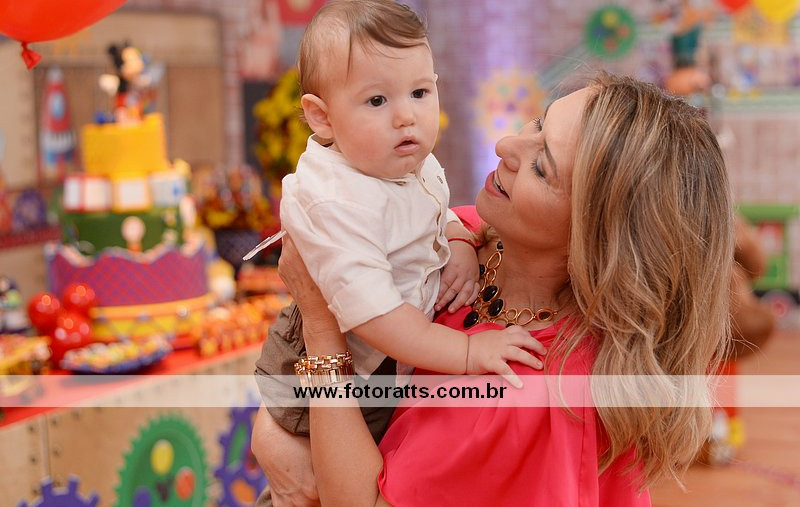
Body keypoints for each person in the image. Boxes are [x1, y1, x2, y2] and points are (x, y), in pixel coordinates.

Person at [253, 72, 735, 505]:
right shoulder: (477, 240)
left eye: (541, 167)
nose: (506, 144)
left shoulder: (533, 391)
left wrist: (320, 328)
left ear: (598, 240)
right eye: (538, 123)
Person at [257, 0, 543, 454]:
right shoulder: (337, 202)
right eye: (376, 100)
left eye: (419, 92)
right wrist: (470, 353)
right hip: (330, 363)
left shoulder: (400, 160)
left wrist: (458, 238)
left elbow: (429, 210)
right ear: (322, 117)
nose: (406, 116)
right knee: (319, 469)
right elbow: (379, 319)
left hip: (386, 349)